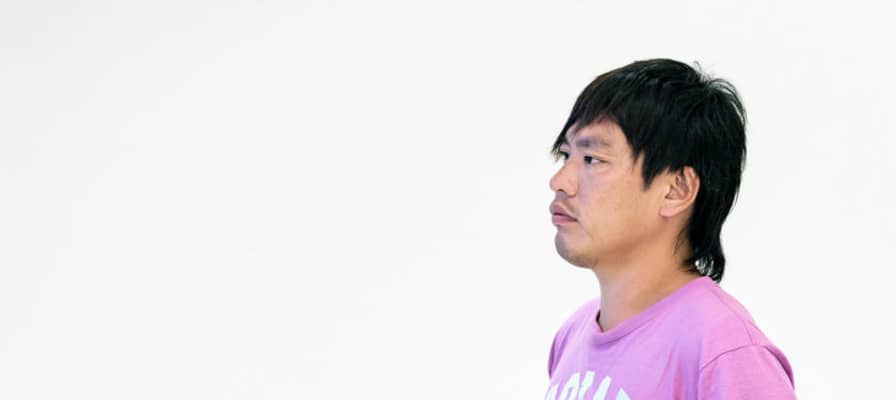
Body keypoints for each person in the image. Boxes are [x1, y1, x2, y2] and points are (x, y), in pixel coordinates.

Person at [545, 59, 796, 399]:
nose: (560, 181)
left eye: (593, 160)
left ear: (676, 190)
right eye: (565, 156)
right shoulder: (571, 336)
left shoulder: (724, 351)